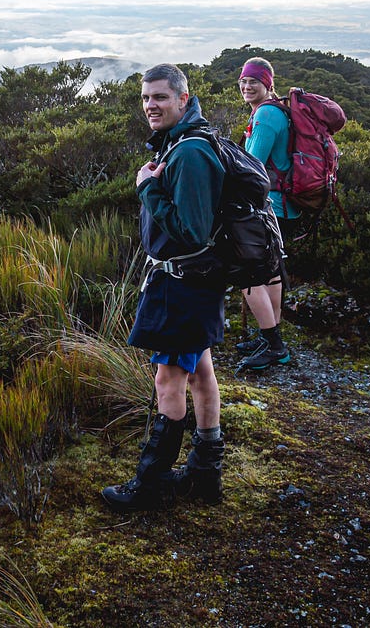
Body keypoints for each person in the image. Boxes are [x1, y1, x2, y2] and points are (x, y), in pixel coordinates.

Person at [101, 63, 227, 511]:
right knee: (201, 372)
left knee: (167, 380)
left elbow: (191, 231)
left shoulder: (190, 152)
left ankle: (150, 484)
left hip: (183, 284)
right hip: (196, 282)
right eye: (146, 98)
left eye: (160, 98)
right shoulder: (181, 143)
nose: (151, 106)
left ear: (184, 100)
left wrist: (147, 190)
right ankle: (204, 473)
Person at [235, 57, 295, 372]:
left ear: (267, 84)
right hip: (278, 202)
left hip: (266, 204)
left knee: (249, 274)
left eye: (253, 82)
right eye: (243, 81)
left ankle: (273, 346)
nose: (247, 86)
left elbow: (251, 166)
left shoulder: (267, 116)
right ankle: (269, 334)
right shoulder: (273, 110)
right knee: (271, 272)